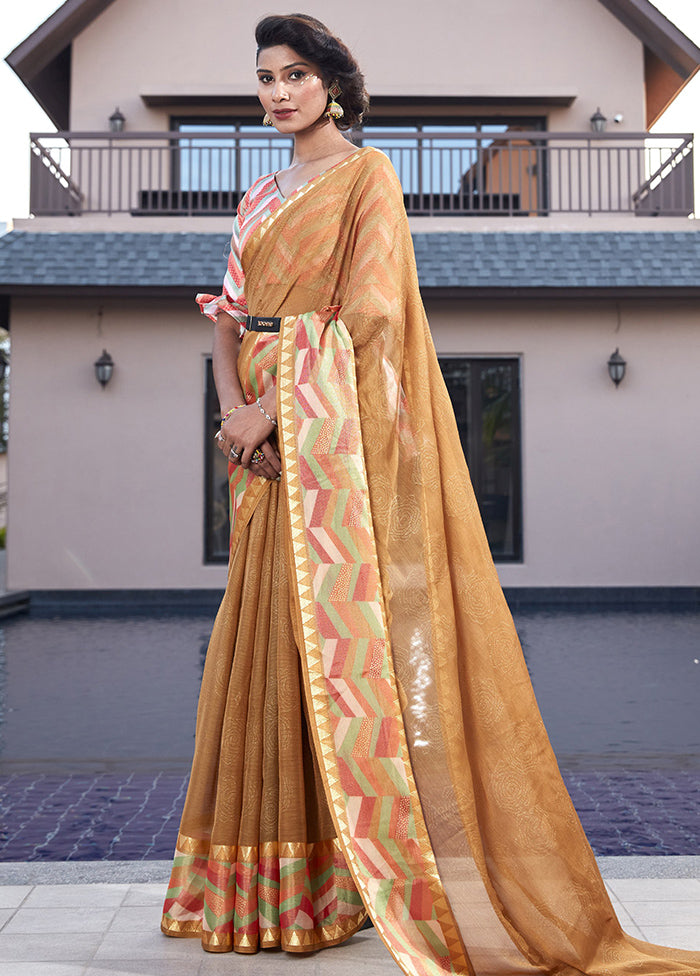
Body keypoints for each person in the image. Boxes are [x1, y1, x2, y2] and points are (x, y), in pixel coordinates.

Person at [161, 13, 700, 974]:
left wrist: (277, 411)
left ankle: (357, 881)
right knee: (262, 649)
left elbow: (366, 316)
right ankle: (285, 887)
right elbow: (226, 317)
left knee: (330, 655)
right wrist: (234, 417)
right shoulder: (255, 198)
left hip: (322, 445)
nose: (278, 92)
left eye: (294, 74)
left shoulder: (367, 178)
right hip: (261, 446)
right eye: (263, 78)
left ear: (332, 83)